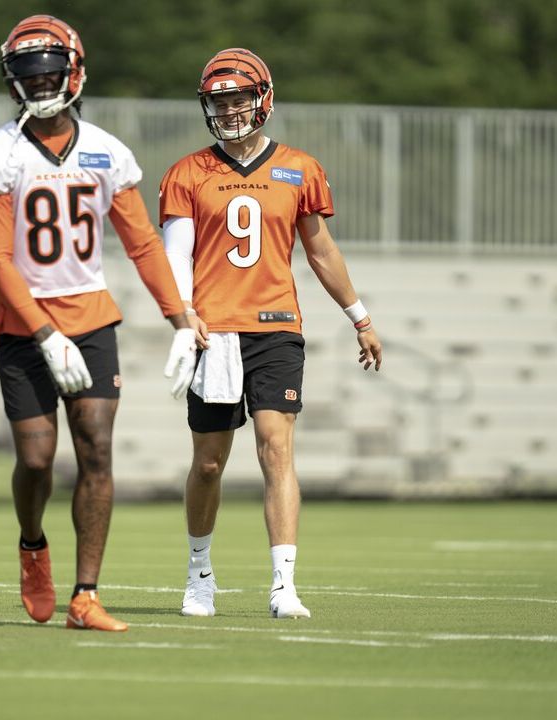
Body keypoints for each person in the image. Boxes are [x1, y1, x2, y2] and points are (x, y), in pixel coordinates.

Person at [0, 15, 197, 632]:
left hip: (90, 316)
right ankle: (33, 547)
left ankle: (85, 596)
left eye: (49, 74)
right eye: (28, 76)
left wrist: (181, 319)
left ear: (74, 73)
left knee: (96, 449)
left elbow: (143, 244)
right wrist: (43, 332)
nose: (40, 86)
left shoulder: (107, 152)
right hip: (22, 324)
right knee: (37, 459)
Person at [159, 48, 383, 619]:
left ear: (263, 99)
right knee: (209, 462)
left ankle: (284, 584)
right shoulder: (188, 172)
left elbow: (321, 250)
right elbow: (175, 254)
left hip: (276, 328)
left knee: (276, 449)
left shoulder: (300, 168)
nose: (230, 110)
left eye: (238, 98)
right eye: (220, 101)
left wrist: (359, 316)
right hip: (215, 332)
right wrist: (185, 316)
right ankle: (200, 574)